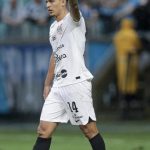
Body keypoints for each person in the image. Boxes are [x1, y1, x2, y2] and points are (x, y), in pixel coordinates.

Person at [32, 0, 106, 150]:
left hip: (76, 83)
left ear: (63, 2)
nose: (47, 5)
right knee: (43, 130)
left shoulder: (74, 20)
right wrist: (47, 83)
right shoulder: (53, 27)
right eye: (46, 1)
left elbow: (75, 8)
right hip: (58, 86)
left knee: (89, 130)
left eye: (51, 1)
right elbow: (55, 55)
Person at [113, 18, 142, 118]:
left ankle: (123, 100)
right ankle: (131, 100)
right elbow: (138, 45)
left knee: (122, 81)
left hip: (121, 61)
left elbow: (116, 46)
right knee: (132, 82)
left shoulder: (118, 35)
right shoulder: (133, 34)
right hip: (132, 60)